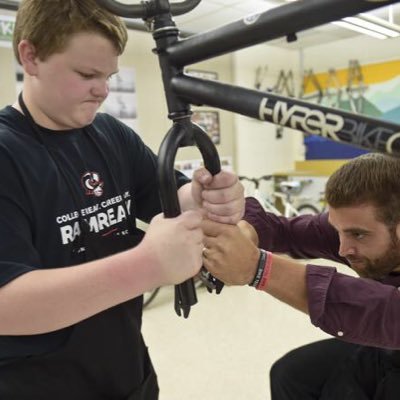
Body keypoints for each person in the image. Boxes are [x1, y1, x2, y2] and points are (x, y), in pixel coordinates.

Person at [0, 1, 244, 398]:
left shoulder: (110, 133)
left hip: (126, 369)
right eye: (87, 74)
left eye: (109, 76)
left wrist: (204, 197)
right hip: (38, 383)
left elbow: (167, 195)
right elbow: (5, 305)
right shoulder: (7, 154)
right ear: (30, 57)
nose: (103, 90)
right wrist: (146, 267)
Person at [202, 152, 400, 400]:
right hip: (384, 351)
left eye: (357, 235)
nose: (342, 248)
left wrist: (257, 268)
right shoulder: (359, 231)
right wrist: (246, 231)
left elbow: (386, 311)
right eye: (338, 230)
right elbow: (284, 230)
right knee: (290, 375)